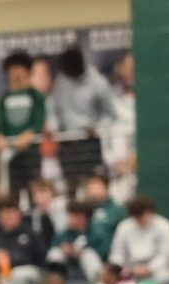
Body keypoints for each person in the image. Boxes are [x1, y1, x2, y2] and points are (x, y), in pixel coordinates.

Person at [49, 47, 116, 194]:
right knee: (71, 188)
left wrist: (97, 127)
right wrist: (53, 128)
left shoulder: (98, 82)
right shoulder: (61, 81)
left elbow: (110, 114)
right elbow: (54, 109)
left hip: (88, 142)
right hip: (66, 142)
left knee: (92, 186)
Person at [0, 51, 46, 193]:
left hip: (31, 153)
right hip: (10, 154)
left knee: (34, 190)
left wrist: (28, 136)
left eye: (19, 68)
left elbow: (38, 121)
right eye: (12, 69)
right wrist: (0, 137)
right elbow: (0, 124)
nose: (16, 73)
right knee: (12, 192)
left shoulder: (36, 96)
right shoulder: (4, 98)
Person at [109, 195, 169, 282]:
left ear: (151, 213)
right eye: (137, 218)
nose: (141, 220)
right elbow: (117, 252)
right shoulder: (124, 227)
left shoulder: (164, 226)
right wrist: (120, 268)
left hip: (158, 273)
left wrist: (148, 268)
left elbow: (165, 255)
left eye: (143, 216)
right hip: (131, 271)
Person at [0, 198, 46, 284]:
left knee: (12, 277)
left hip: (31, 272)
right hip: (5, 274)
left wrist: (10, 257)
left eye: (13, 212)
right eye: (5, 213)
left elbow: (40, 258)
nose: (9, 216)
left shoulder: (30, 234)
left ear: (19, 214)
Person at [48, 201, 104, 282]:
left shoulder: (95, 233)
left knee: (89, 255)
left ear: (83, 217)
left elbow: (102, 253)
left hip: (88, 267)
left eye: (73, 216)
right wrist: (64, 249)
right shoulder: (64, 233)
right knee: (55, 252)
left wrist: (79, 253)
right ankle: (55, 282)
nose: (69, 219)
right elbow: (53, 246)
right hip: (67, 266)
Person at [83, 172, 124, 260]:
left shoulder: (116, 210)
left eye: (95, 185)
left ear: (105, 187)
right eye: (89, 186)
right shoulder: (83, 210)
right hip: (87, 256)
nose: (92, 189)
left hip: (112, 257)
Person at [24, 179, 57, 252]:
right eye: (36, 194)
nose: (40, 197)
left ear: (52, 194)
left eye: (43, 193)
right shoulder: (32, 216)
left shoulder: (62, 212)